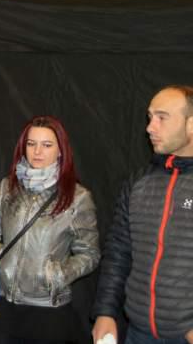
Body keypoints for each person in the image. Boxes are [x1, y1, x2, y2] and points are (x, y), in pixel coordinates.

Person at [92, 85, 193, 344]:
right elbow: (118, 253)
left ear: (191, 124)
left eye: (162, 117)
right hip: (138, 334)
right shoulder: (139, 182)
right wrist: (105, 311)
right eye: (150, 117)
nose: (150, 127)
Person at [0, 116, 100, 344]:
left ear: (60, 150)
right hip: (3, 304)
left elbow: (90, 253)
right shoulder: (6, 189)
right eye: (31, 144)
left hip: (48, 310)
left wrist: (59, 274)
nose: (37, 151)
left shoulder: (77, 198)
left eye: (47, 145)